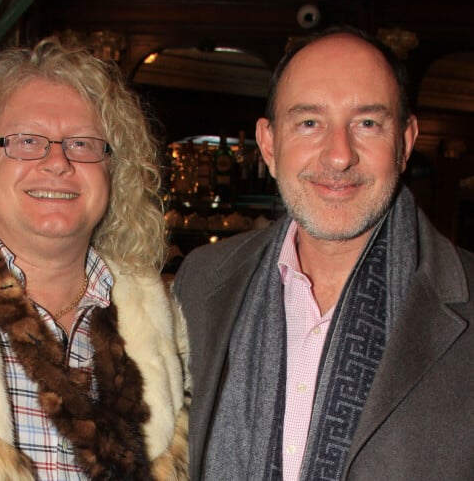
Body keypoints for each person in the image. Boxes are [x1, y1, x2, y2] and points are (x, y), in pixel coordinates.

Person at [173, 26, 474, 480]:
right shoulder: (202, 280)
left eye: (367, 123)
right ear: (270, 144)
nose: (338, 155)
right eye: (310, 122)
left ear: (406, 142)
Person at [0, 36, 190, 480]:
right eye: (26, 140)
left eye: (83, 144)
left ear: (114, 169)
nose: (57, 162)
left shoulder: (168, 330)